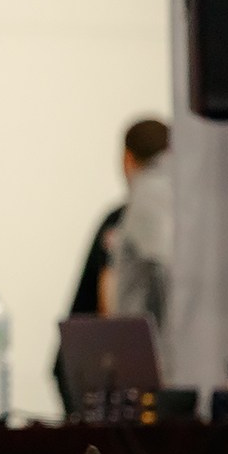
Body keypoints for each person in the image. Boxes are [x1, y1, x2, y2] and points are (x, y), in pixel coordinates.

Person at [54, 119, 169, 411]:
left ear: (127, 158)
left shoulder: (124, 217)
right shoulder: (128, 222)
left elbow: (109, 290)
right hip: (122, 378)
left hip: (109, 373)